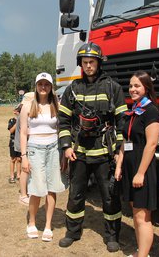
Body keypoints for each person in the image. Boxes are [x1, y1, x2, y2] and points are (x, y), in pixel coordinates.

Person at [58, 42, 127, 252]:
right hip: (78, 153)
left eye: (92, 62)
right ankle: (72, 232)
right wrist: (66, 146)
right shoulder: (73, 89)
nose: (88, 66)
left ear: (98, 63)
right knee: (76, 194)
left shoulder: (112, 87)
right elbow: (63, 120)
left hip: (103, 153)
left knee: (109, 196)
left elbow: (121, 120)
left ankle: (112, 236)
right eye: (85, 62)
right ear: (81, 64)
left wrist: (118, 150)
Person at [115, 71, 159, 257]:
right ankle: (140, 252)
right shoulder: (133, 110)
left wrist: (140, 173)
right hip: (130, 167)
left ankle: (143, 255)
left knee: (142, 216)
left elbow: (151, 144)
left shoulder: (151, 111)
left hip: (142, 168)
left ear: (146, 88)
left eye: (137, 86)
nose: (133, 89)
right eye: (131, 85)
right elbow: (126, 141)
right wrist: (119, 164)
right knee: (136, 212)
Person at [20, 73, 67, 242]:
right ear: (36, 86)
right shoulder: (27, 106)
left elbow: (62, 131)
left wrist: (64, 154)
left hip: (54, 148)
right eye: (40, 84)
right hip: (34, 149)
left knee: (52, 188)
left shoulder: (57, 105)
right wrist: (24, 157)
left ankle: (48, 225)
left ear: (51, 87)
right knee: (36, 189)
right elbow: (23, 133)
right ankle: (32, 222)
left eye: (46, 84)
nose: (43, 87)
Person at [15, 92, 34, 206]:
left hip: (24, 144)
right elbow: (24, 132)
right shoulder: (24, 113)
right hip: (25, 145)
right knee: (25, 169)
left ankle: (26, 191)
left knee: (27, 168)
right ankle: (23, 194)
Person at [7, 105, 22, 184]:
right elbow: (11, 131)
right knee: (13, 159)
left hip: (20, 142)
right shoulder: (12, 120)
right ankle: (12, 176)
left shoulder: (23, 120)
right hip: (13, 142)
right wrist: (17, 123)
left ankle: (19, 175)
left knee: (19, 159)